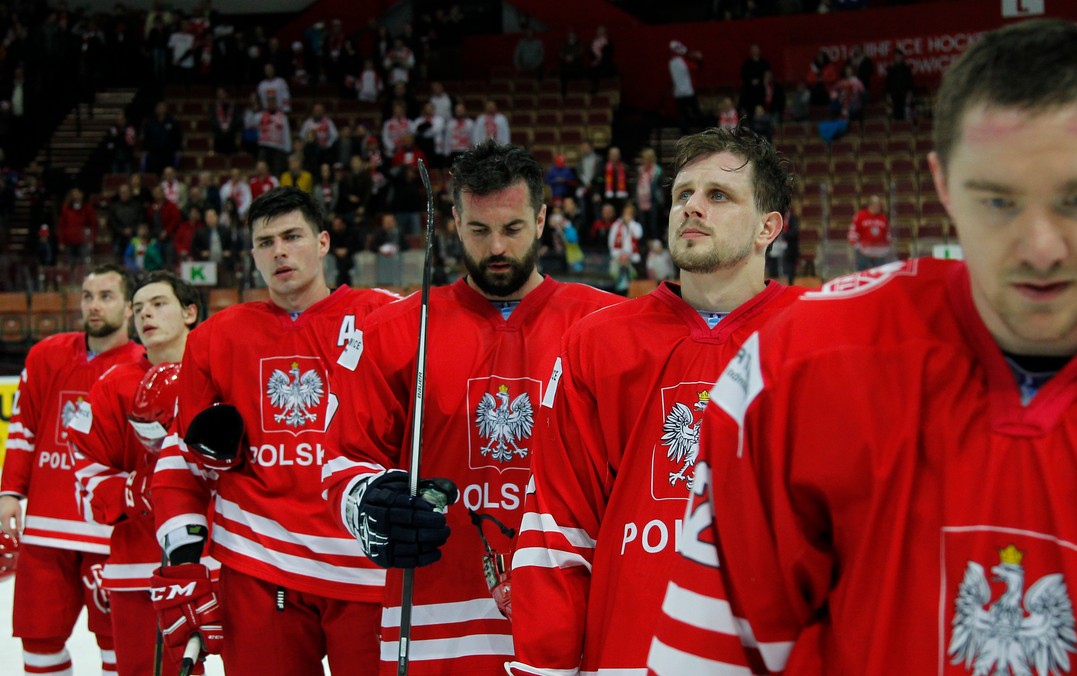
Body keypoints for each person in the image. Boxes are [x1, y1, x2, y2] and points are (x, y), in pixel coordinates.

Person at [651, 19, 1077, 674]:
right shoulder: (795, 366)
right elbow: (713, 657)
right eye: (998, 201)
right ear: (942, 184)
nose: (1041, 246)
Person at [507, 126, 803, 674]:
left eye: (719, 195)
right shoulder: (596, 343)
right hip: (628, 655)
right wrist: (542, 668)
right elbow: (557, 528)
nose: (692, 207)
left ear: (769, 227)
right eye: (682, 195)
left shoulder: (819, 338)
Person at [321, 141, 622, 673]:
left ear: (543, 218)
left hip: (578, 622)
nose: (497, 248)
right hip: (437, 624)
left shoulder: (609, 326)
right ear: (455, 222)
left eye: (513, 228)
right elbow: (342, 458)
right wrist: (368, 502)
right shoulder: (394, 331)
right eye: (480, 231)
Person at [149, 187, 398, 674]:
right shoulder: (215, 338)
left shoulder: (387, 318)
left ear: (323, 242)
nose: (279, 251)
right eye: (265, 242)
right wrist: (183, 559)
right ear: (252, 255)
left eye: (292, 237)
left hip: (367, 564)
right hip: (259, 565)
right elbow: (182, 457)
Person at [0, 264, 143, 675]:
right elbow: (23, 426)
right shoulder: (47, 354)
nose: (93, 306)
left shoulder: (142, 365)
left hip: (112, 533)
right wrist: (11, 492)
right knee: (39, 640)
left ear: (130, 308)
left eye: (105, 296)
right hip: (47, 528)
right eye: (87, 296)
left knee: (120, 641)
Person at [69, 271, 202, 676]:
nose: (146, 314)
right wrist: (135, 491)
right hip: (140, 571)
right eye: (139, 308)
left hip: (230, 565)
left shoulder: (222, 372)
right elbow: (84, 481)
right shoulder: (112, 386)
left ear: (189, 312)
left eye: (159, 304)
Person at [849, 194, 892, 270]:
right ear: (870, 205)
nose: (878, 207)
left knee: (879, 274)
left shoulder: (883, 217)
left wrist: (887, 247)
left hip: (879, 253)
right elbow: (853, 233)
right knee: (862, 274)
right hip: (863, 252)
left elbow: (888, 234)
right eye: (876, 205)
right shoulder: (860, 216)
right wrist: (857, 246)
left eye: (879, 205)